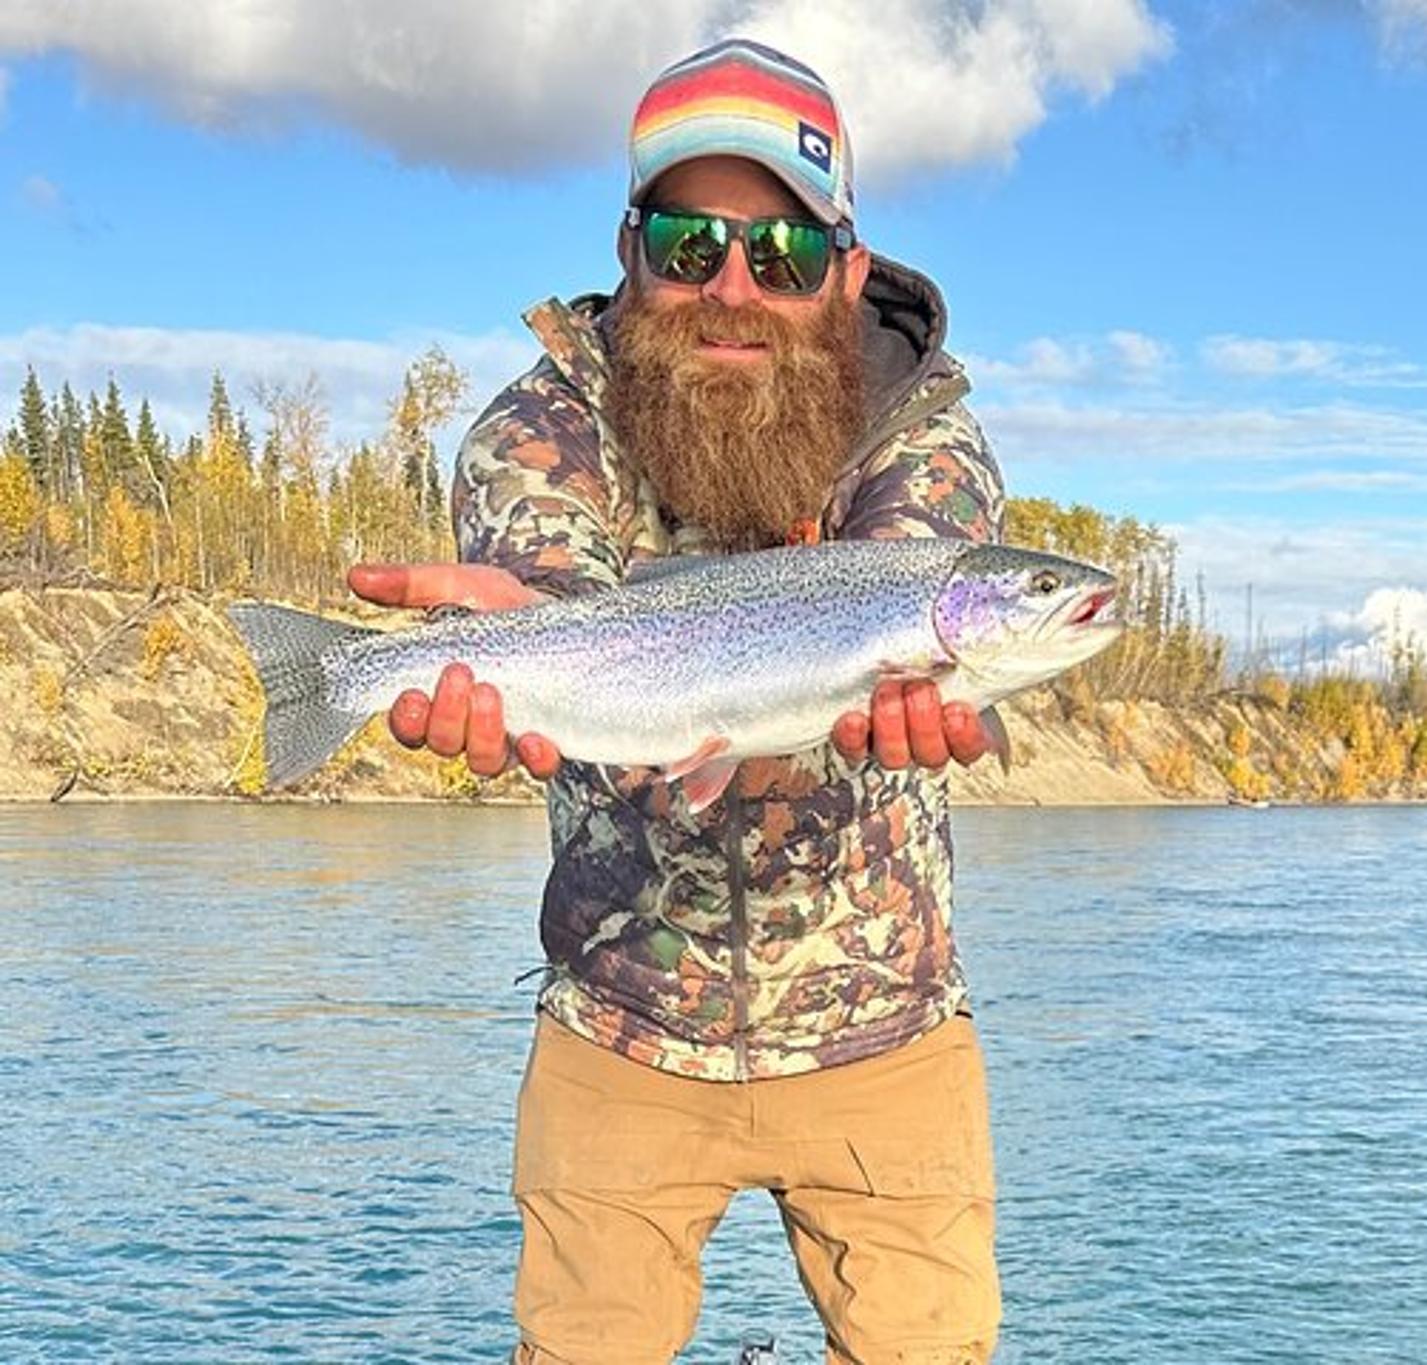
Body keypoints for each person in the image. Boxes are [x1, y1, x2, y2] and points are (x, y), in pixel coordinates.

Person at [347, 39, 1007, 1365]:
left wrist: (920, 680)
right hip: (620, 1023)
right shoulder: (536, 430)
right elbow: (545, 584)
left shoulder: (924, 436)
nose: (733, 288)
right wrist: (508, 651)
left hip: (885, 1034)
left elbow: (923, 565)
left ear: (849, 272)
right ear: (629, 248)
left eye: (785, 253)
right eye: (688, 242)